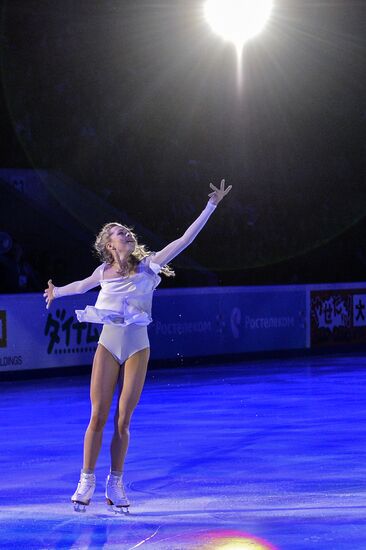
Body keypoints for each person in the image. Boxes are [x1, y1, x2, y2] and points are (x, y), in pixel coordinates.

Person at [44, 179, 232, 513]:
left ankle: (115, 483)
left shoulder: (149, 266)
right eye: (120, 232)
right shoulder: (102, 272)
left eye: (128, 231)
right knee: (98, 415)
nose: (127, 234)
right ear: (109, 245)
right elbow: (80, 286)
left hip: (137, 348)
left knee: (123, 420)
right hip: (108, 346)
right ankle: (86, 480)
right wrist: (56, 291)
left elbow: (185, 239)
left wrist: (211, 205)